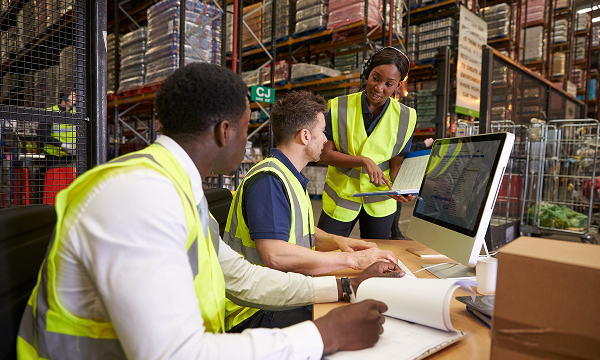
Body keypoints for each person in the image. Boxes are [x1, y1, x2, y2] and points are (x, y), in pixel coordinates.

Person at [17, 63, 405, 360]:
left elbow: (241, 277)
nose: (251, 134)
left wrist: (343, 287)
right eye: (245, 124)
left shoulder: (179, 188)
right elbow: (173, 354)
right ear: (225, 131)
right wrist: (324, 336)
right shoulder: (137, 197)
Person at [223, 91, 399, 331]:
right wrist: (353, 260)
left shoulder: (287, 176)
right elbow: (276, 255)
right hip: (255, 311)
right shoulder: (268, 181)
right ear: (305, 136)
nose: (326, 140)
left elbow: (300, 230)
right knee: (362, 314)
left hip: (280, 295)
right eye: (323, 131)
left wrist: (339, 242)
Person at [318, 47, 417, 239]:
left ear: (398, 86)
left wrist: (402, 188)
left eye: (389, 84)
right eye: (375, 78)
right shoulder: (338, 106)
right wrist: (362, 161)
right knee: (325, 251)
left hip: (380, 200)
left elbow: (397, 162)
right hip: (341, 197)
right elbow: (325, 154)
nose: (379, 88)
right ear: (367, 74)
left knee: (377, 258)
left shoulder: (406, 117)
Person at [390, 137, 434, 240]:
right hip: (390, 180)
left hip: (394, 179)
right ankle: (395, 233)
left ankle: (395, 232)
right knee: (395, 206)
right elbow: (402, 150)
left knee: (396, 206)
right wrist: (423, 144)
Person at [37, 88, 77, 165]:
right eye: (73, 97)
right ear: (64, 98)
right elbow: (41, 134)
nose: (76, 99)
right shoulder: (50, 112)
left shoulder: (77, 114)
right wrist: (61, 144)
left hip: (73, 156)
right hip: (54, 156)